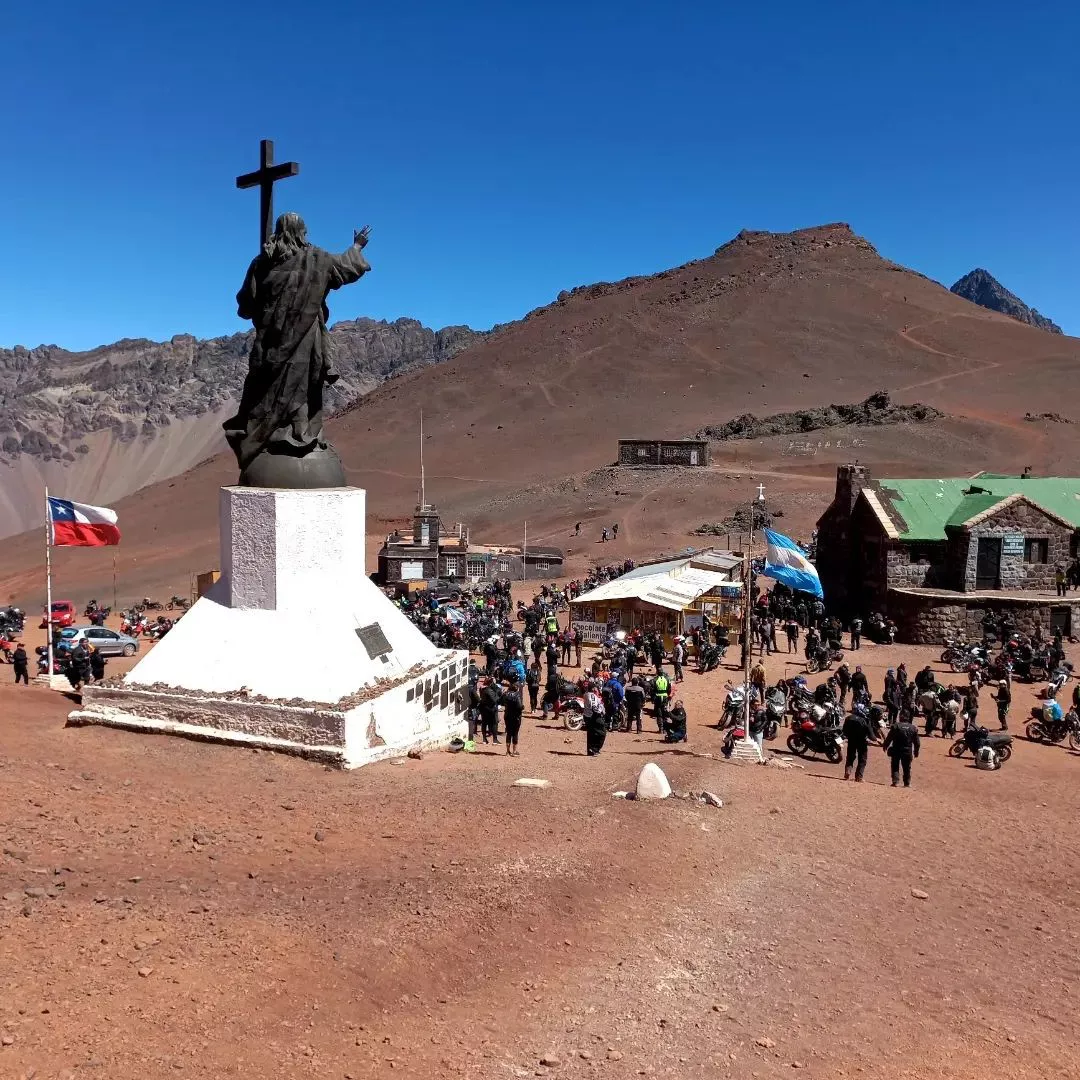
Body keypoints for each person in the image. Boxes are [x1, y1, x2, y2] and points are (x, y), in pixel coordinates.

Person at [882, 715, 921, 788]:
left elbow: (889, 737)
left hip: (896, 749)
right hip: (907, 750)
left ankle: (895, 781)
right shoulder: (913, 728)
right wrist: (916, 752)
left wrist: (885, 745)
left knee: (895, 765)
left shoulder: (896, 726)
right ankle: (907, 783)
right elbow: (917, 742)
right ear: (908, 718)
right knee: (907, 767)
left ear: (900, 718)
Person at [842, 703, 875, 781]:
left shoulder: (848, 718)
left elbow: (844, 731)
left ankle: (848, 771)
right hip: (862, 742)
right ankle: (859, 777)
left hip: (851, 740)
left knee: (850, 757)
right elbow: (871, 735)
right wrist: (876, 739)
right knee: (862, 759)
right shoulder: (865, 720)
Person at [501, 679, 524, 756]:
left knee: (509, 733)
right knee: (515, 733)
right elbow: (519, 706)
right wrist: (522, 707)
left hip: (507, 715)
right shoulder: (517, 695)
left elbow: (501, 702)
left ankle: (507, 751)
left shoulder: (505, 694)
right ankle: (514, 751)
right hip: (516, 716)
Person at [584, 684, 606, 756]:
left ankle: (590, 750)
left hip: (587, 716)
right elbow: (594, 707)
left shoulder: (586, 694)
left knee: (591, 733)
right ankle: (595, 749)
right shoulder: (592, 695)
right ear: (593, 689)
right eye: (596, 689)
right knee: (602, 732)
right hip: (594, 716)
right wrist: (600, 710)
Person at [478, 678, 501, 744]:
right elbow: (494, 700)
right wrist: (497, 694)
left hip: (484, 708)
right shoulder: (489, 690)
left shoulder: (482, 689)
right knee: (494, 723)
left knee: (484, 723)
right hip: (491, 709)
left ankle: (484, 739)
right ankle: (495, 740)